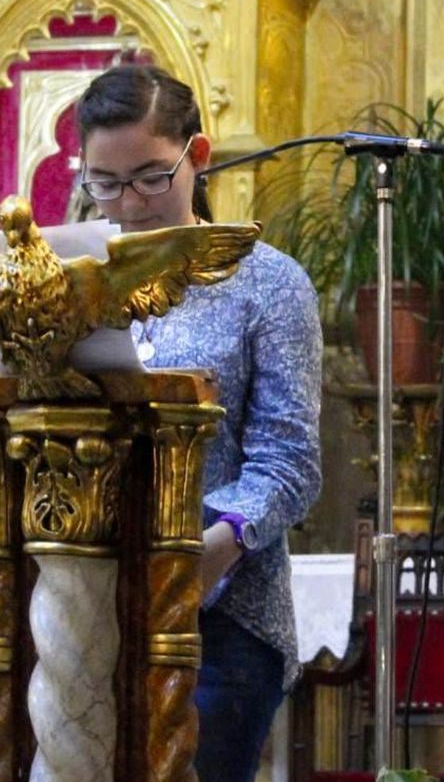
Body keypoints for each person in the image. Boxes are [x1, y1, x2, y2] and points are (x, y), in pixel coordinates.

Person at [75, 63, 323, 782]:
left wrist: (214, 545)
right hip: (88, 597)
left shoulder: (266, 281)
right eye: (106, 182)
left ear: (199, 156)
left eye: (153, 176)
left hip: (222, 619)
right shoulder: (77, 277)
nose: (130, 203)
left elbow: (291, 461)